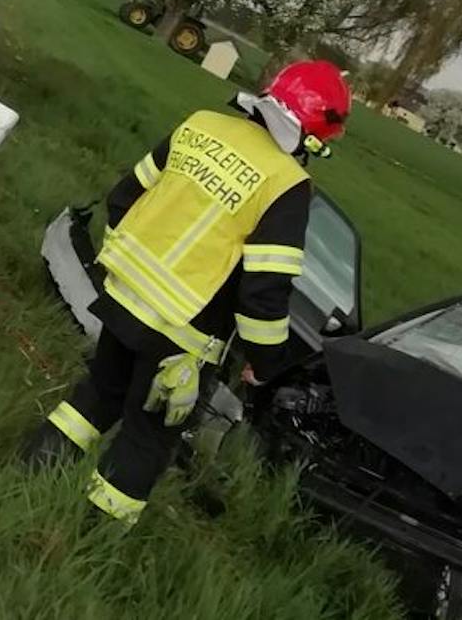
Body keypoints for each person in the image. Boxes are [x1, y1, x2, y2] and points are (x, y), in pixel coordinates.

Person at [19, 60, 352, 527]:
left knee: (96, 395)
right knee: (148, 437)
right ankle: (88, 537)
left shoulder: (201, 125)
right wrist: (267, 362)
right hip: (182, 335)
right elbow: (263, 292)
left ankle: (25, 478)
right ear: (316, 136)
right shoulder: (288, 185)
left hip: (121, 296)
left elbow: (123, 198)